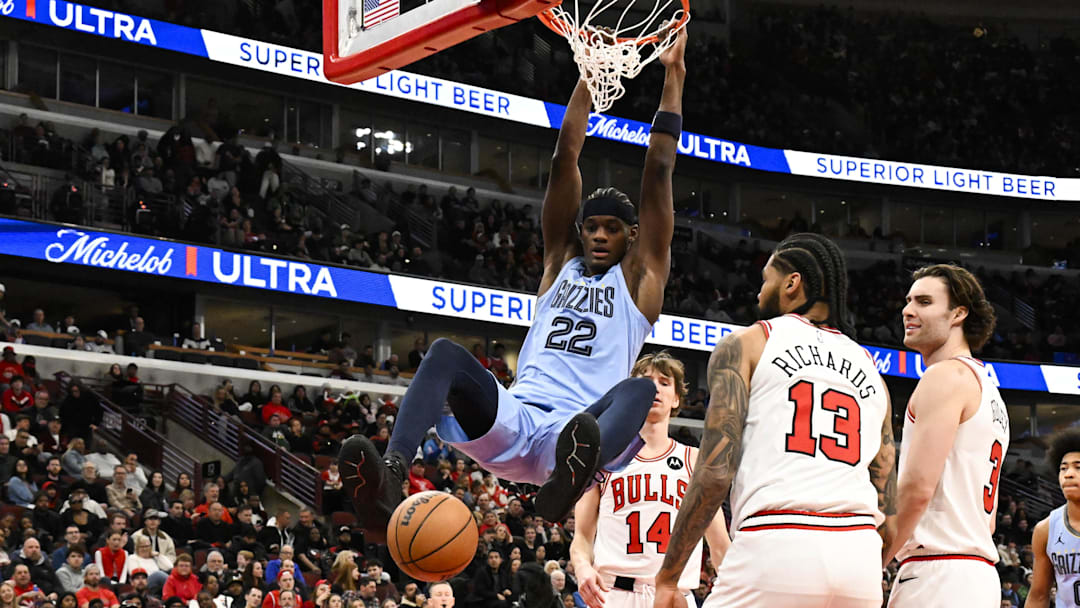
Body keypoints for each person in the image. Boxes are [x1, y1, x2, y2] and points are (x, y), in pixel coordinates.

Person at [339, 28, 686, 538]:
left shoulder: (640, 280)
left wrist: (674, 75)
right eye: (590, 226)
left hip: (575, 434)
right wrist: (591, 73)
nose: (598, 235)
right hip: (515, 417)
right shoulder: (557, 264)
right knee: (443, 354)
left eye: (611, 228)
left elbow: (658, 169)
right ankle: (391, 476)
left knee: (638, 388)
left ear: (633, 236)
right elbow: (564, 157)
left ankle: (571, 481)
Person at [653, 233, 895, 608]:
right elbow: (887, 506)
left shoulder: (748, 343)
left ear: (792, 283)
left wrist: (669, 577)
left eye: (766, 279)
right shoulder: (873, 372)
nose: (758, 291)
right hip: (860, 555)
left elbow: (716, 472)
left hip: (777, 539)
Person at [883, 265, 1007, 606]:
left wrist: (875, 560)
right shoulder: (990, 390)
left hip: (938, 575)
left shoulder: (945, 376)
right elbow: (990, 519)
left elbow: (918, 488)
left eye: (924, 302)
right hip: (976, 575)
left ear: (958, 313)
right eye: (908, 301)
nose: (908, 310)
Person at [573, 352, 729, 608]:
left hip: (674, 596)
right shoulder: (604, 458)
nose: (654, 388)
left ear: (677, 397)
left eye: (664, 382)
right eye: (645, 382)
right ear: (631, 395)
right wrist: (582, 568)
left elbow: (720, 546)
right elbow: (582, 537)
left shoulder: (696, 461)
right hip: (612, 594)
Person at [1028, 428, 1080, 607]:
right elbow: (1038, 595)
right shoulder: (1046, 529)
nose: (1069, 474)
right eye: (1063, 468)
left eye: (1078, 467)